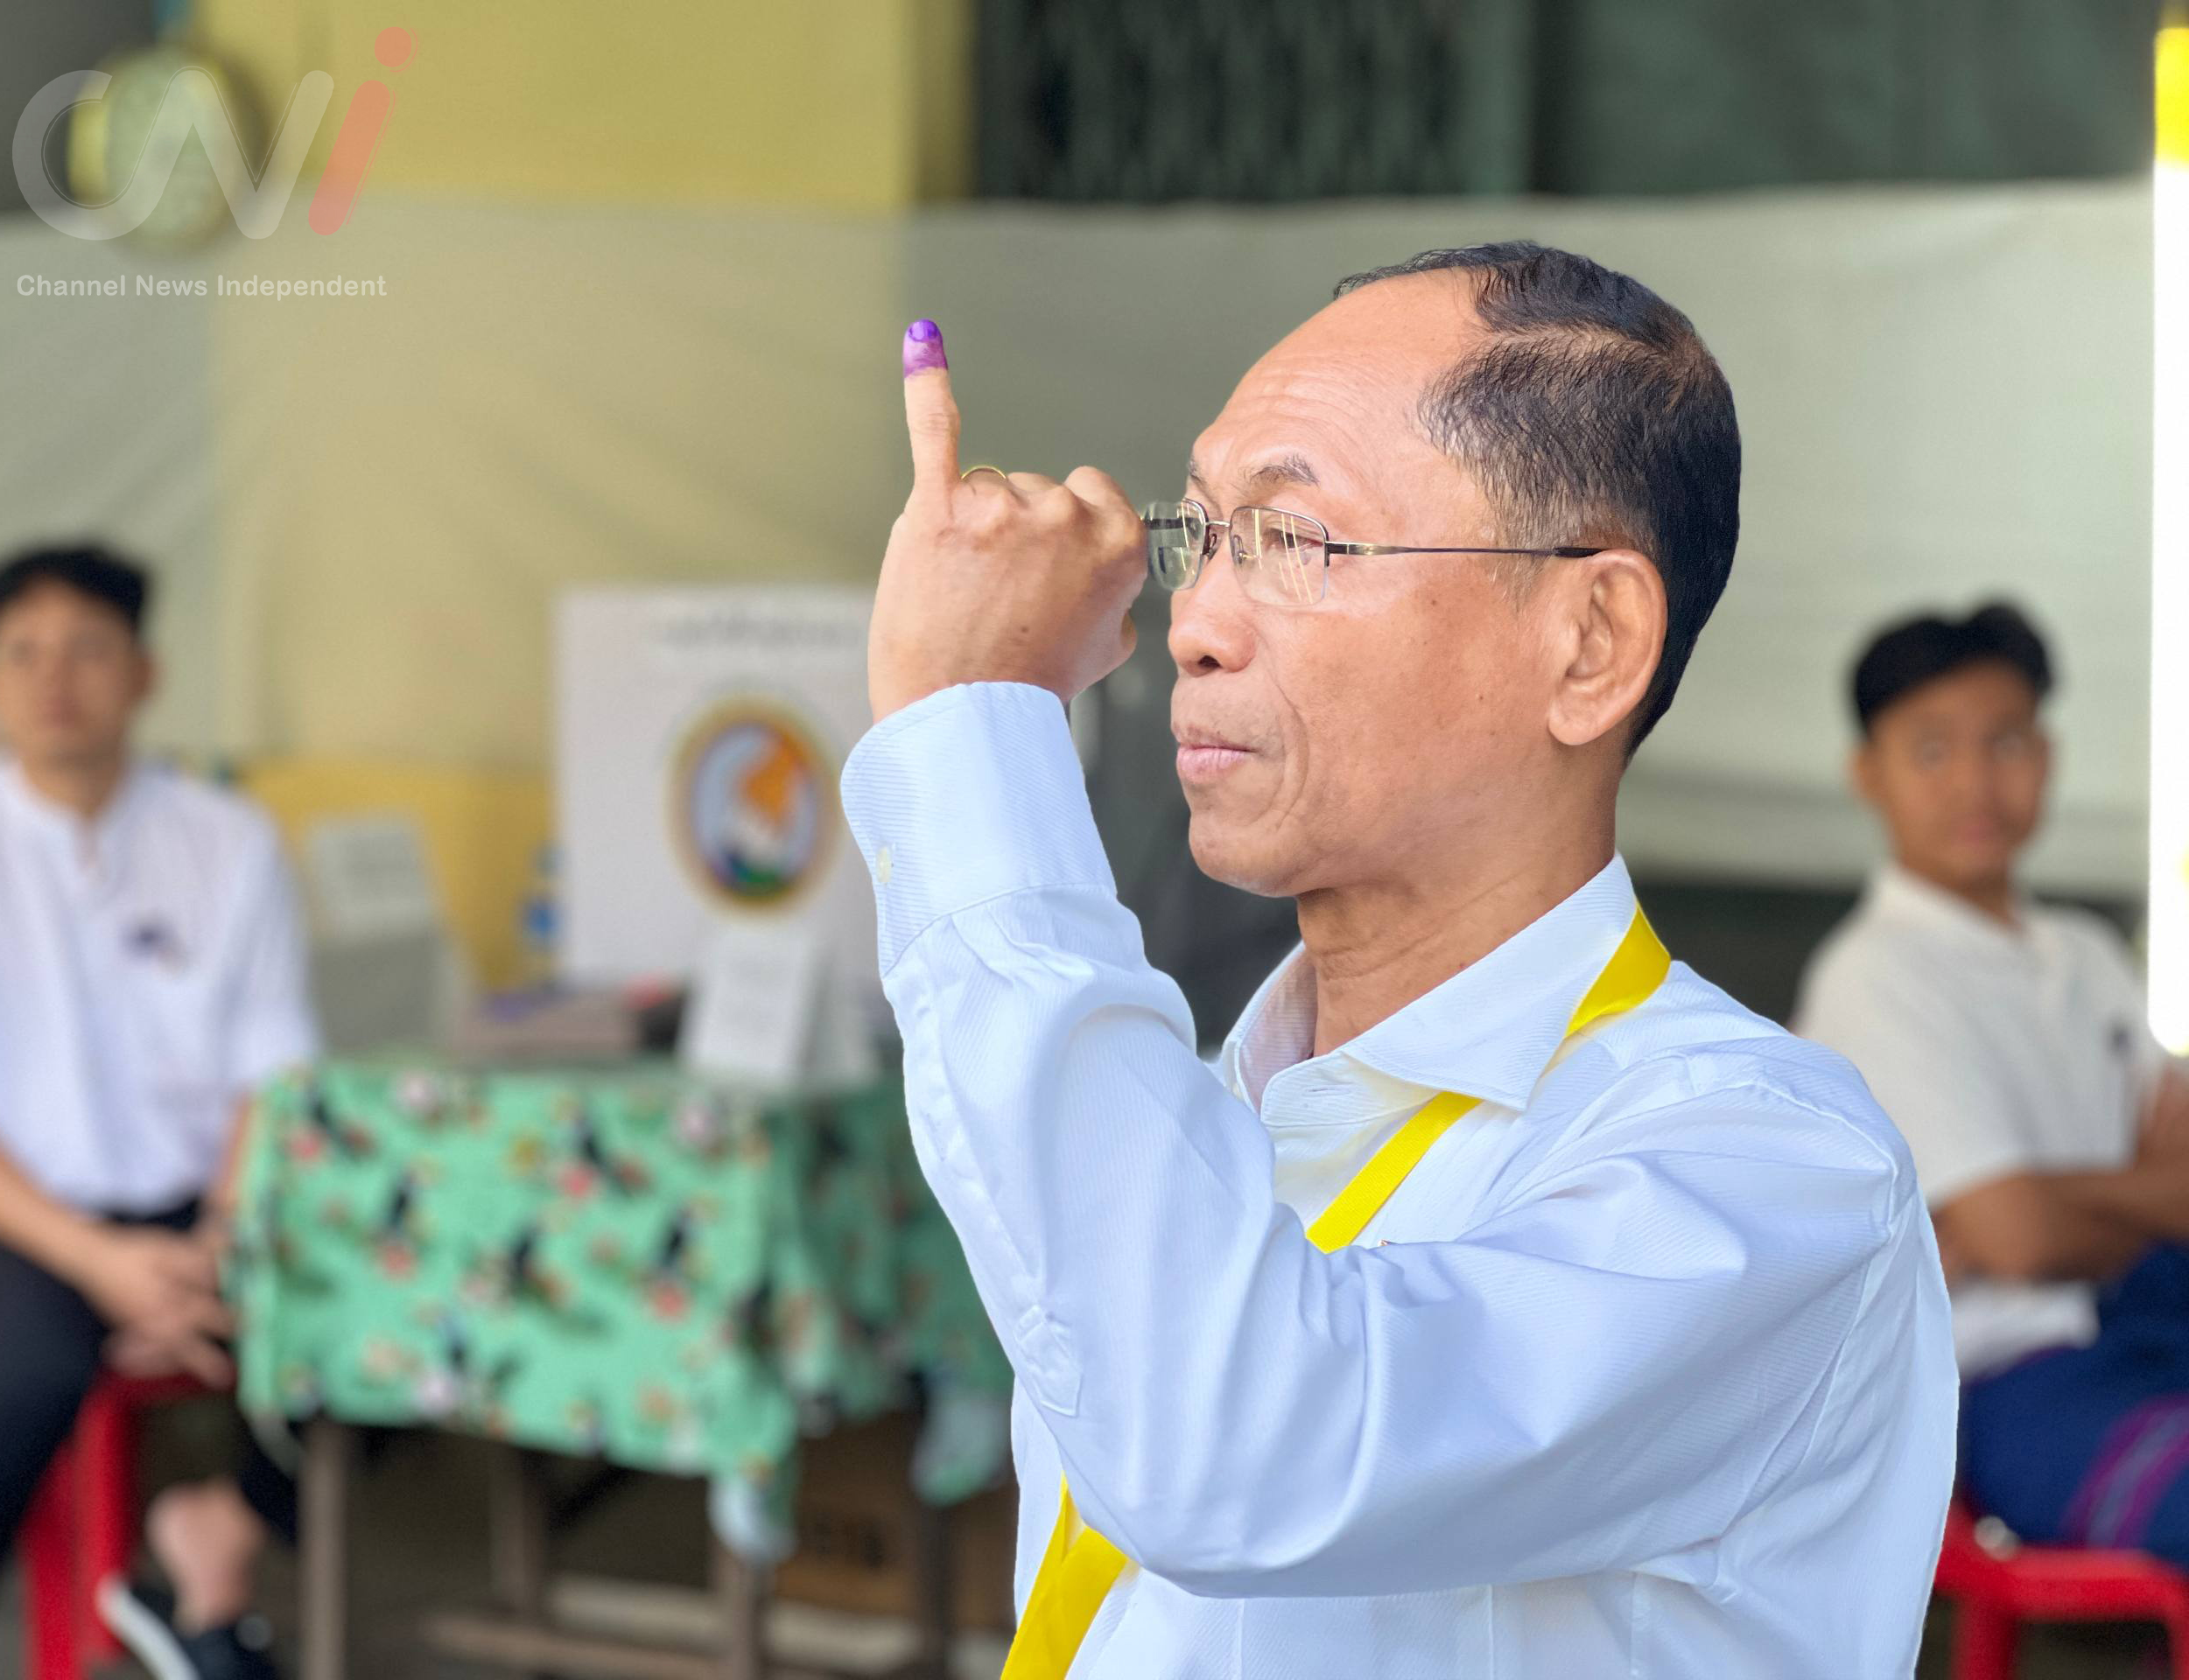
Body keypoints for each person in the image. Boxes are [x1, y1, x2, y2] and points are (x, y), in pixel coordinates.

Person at [844, 245, 1955, 1677]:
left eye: (1294, 539)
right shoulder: (1212, 1104)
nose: (1193, 624)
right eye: (1201, 535)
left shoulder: (1767, 1173)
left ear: (1589, 641)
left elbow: (1243, 1439)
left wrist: (972, 734)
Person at [0, 545, 317, 1680]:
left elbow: (276, 1072)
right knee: (0, 1385)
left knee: (402, 1323)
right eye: (26, 653)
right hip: (18, 1223)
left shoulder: (228, 840)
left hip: (201, 1209)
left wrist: (211, 1243)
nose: (56, 678)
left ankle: (214, 1553)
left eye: (89, 649)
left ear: (146, 673)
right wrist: (99, 1262)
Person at [1799, 604, 2189, 1562]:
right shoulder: (1871, 976)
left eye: (2005, 742)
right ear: (1868, 775)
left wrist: (2023, 1199)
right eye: (1931, 750)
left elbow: (2022, 1222)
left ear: (2047, 758)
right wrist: (2083, 1206)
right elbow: (2020, 1244)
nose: (1975, 780)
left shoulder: (2088, 955)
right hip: (2011, 1383)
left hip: (2159, 1316)